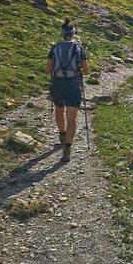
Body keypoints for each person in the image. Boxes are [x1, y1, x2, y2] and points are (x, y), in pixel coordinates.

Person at [46, 18, 89, 162]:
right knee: (72, 118)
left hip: (57, 83)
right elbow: (87, 70)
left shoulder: (55, 48)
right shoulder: (79, 48)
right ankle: (67, 149)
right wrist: (78, 70)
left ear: (62, 33)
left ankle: (62, 135)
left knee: (59, 109)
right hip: (73, 84)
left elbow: (48, 70)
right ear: (73, 33)